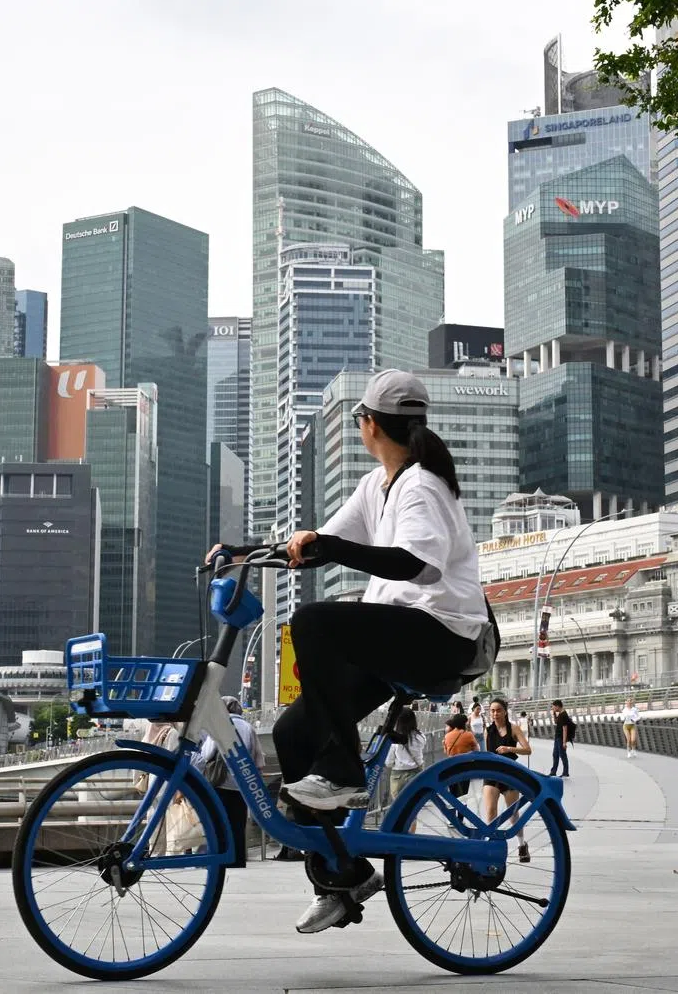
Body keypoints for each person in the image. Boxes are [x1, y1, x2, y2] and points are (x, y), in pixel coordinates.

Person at [209, 369, 488, 935]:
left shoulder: (422, 486)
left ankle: (341, 770)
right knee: (290, 734)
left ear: (368, 425)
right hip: (403, 638)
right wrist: (243, 552)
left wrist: (333, 547)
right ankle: (340, 875)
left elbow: (417, 565)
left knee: (313, 622)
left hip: (443, 635)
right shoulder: (376, 485)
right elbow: (313, 547)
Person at [191, 695, 265, 868]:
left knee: (219, 823)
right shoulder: (248, 727)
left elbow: (207, 754)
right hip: (242, 784)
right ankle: (238, 859)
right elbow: (257, 757)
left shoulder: (220, 726)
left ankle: (221, 859)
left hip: (221, 783)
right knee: (238, 824)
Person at [483, 696, 532, 862]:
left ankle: (521, 844)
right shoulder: (487, 731)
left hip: (510, 774)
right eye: (492, 711)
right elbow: (488, 752)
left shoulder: (514, 729)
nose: (495, 714)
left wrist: (509, 748)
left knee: (513, 814)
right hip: (491, 774)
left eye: (498, 710)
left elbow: (527, 750)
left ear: (505, 712)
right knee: (490, 811)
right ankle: (492, 844)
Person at [549, 699, 571, 777]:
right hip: (557, 737)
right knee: (555, 754)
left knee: (562, 755)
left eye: (553, 707)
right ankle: (553, 771)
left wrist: (564, 742)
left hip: (561, 738)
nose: (552, 708)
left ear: (558, 706)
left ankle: (565, 772)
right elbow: (556, 722)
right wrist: (554, 714)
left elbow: (565, 729)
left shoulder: (564, 715)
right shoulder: (560, 714)